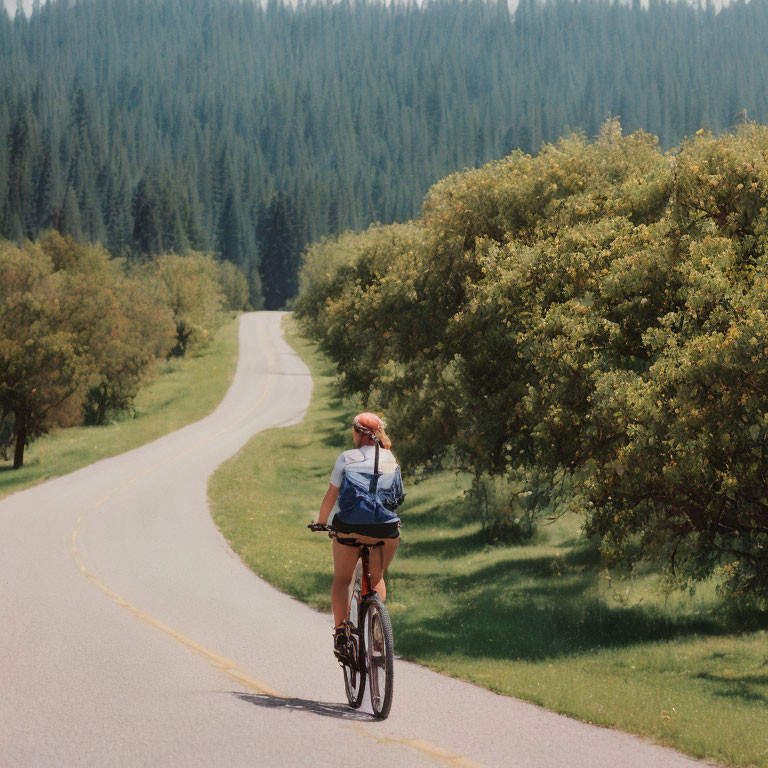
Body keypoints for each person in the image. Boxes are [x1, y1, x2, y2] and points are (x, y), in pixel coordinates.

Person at [313, 412, 404, 658]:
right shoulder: (390, 458)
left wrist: (321, 523)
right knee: (376, 578)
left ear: (356, 433)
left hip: (351, 527)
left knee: (343, 580)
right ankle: (376, 627)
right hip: (385, 529)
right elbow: (395, 497)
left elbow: (331, 496)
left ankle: (342, 632)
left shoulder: (346, 458)